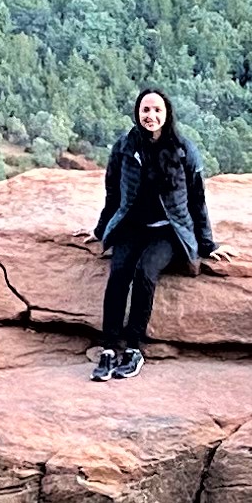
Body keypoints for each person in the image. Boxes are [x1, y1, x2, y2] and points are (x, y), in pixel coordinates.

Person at [91, 87, 218, 378]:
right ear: (137, 112)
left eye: (157, 110)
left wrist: (207, 244)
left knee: (145, 272)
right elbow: (113, 193)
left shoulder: (183, 148)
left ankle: (134, 348)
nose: (151, 115)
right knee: (119, 273)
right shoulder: (125, 147)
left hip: (168, 231)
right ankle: (109, 348)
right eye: (146, 110)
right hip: (131, 227)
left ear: (167, 114)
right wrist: (101, 230)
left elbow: (197, 199)